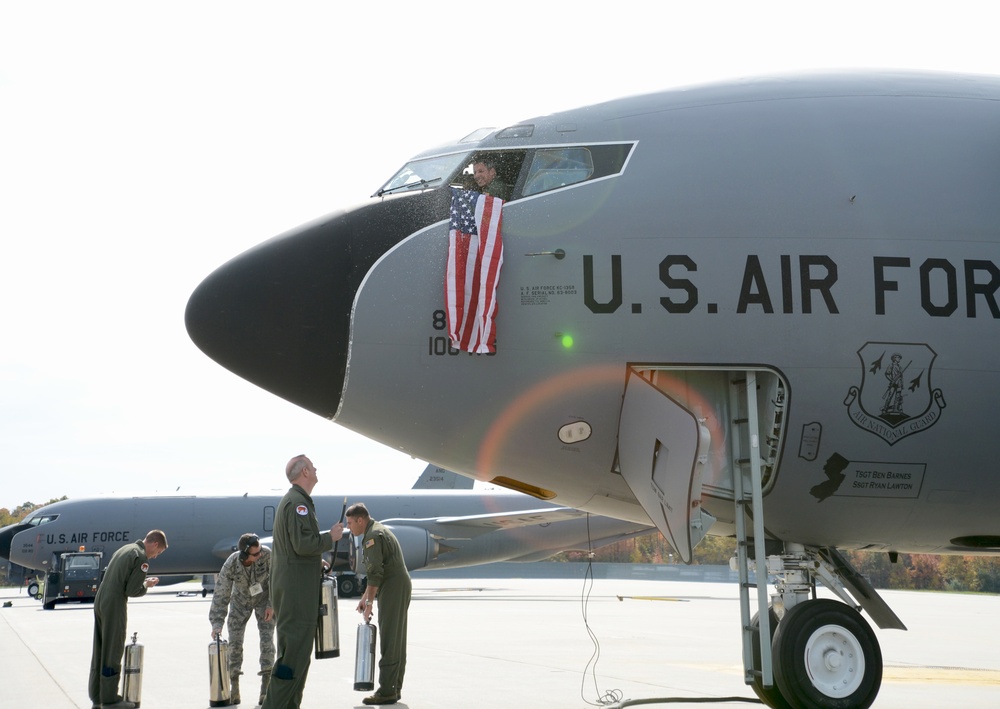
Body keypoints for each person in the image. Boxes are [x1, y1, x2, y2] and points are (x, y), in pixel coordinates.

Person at [261, 455, 343, 709]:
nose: (317, 469)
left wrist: (314, 561)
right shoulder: (299, 504)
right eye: (313, 466)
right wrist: (330, 538)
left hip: (295, 587)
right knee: (292, 658)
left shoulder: (296, 501)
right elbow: (303, 544)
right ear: (305, 472)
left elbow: (293, 548)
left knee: (298, 656)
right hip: (297, 592)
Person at [88, 530, 168, 709]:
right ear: (154, 544)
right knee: (113, 648)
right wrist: (146, 585)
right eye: (158, 552)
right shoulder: (141, 558)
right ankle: (109, 699)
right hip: (114, 603)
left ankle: (97, 696)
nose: (155, 556)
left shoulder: (125, 549)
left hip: (100, 599)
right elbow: (132, 590)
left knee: (99, 648)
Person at [347, 502, 412, 706]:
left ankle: (386, 691)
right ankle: (394, 688)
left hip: (392, 587)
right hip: (395, 584)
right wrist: (365, 597)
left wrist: (369, 605)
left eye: (350, 523)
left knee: (391, 639)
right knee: (397, 639)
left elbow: (375, 573)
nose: (349, 528)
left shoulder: (372, 537)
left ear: (360, 520)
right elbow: (376, 572)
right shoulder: (377, 529)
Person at [209, 532, 275, 706]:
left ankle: (266, 689)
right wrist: (217, 624)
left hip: (264, 601)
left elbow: (277, 580)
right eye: (255, 553)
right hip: (240, 603)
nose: (260, 554)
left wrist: (271, 604)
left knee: (267, 642)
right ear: (245, 554)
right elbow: (221, 593)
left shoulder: (267, 554)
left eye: (260, 550)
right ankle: (234, 687)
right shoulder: (232, 563)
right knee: (235, 644)